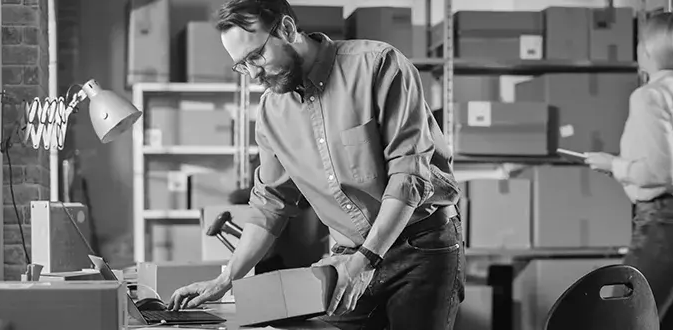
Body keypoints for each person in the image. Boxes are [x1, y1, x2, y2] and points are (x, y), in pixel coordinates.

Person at [168, 1, 465, 329]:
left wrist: (366, 260)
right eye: (242, 65)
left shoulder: (378, 65)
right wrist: (224, 279)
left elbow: (408, 175)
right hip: (349, 255)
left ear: (286, 29)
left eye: (256, 57)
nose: (252, 74)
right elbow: (271, 203)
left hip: (420, 247)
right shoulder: (271, 114)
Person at [584, 12, 673, 330]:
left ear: (649, 49)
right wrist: (627, 170)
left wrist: (614, 164)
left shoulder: (650, 94)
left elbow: (664, 171)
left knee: (623, 322)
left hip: (671, 226)